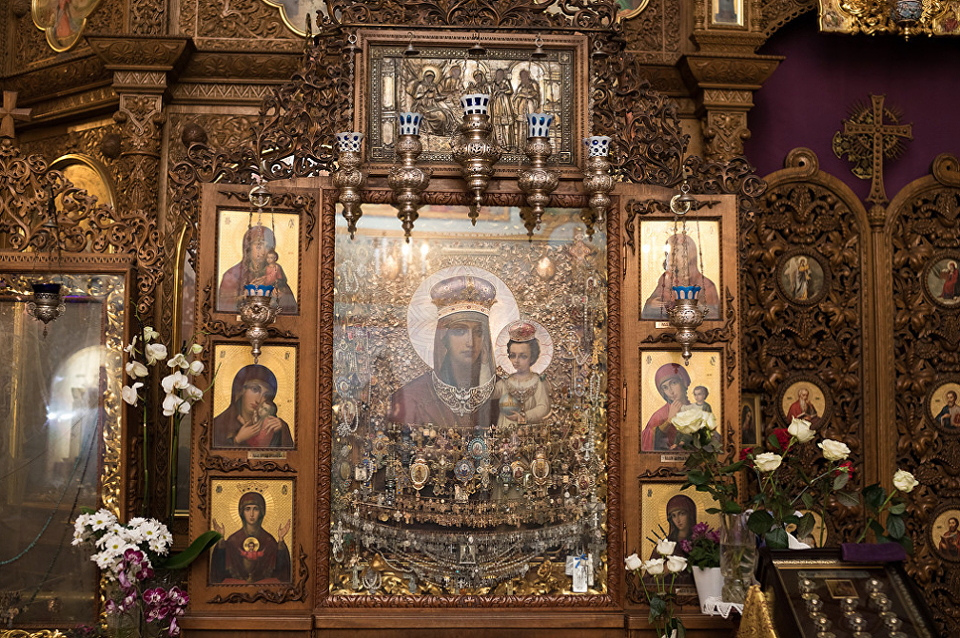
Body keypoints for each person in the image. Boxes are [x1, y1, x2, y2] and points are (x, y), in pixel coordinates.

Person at [388, 275, 500, 432]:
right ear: (444, 338)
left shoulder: (504, 392)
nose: (471, 342)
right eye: (459, 331)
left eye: (478, 332)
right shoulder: (411, 398)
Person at [211, 491, 291, 584]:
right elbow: (219, 573)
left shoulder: (269, 540)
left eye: (256, 509)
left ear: (261, 512)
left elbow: (281, 573)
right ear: (242, 512)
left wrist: (281, 540)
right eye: (247, 509)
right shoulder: (233, 540)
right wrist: (221, 538)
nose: (251, 514)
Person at [218, 224, 298, 314]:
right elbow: (224, 308)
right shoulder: (233, 275)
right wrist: (245, 296)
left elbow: (291, 310)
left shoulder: (275, 272)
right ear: (248, 247)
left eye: (267, 247)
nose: (263, 251)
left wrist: (279, 296)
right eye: (259, 245)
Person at [641, 233, 721, 320]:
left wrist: (697, 306)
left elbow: (713, 316)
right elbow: (650, 308)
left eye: (676, 252)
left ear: (689, 255)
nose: (672, 258)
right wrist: (652, 304)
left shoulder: (706, 285)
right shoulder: (667, 279)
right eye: (669, 254)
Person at [213, 364, 294, 448]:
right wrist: (237, 439)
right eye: (255, 389)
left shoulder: (273, 425)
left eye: (266, 395)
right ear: (241, 390)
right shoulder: (219, 424)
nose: (258, 400)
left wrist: (283, 429)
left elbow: (287, 452)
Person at [493, 321, 551, 429]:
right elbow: (489, 394)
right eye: (513, 355)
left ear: (532, 357)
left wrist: (523, 416)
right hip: (505, 428)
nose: (516, 361)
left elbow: (543, 407)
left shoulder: (538, 381)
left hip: (527, 430)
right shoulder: (506, 381)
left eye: (523, 356)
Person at [641, 363, 691, 451]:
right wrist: (669, 420)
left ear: (683, 382)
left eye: (674, 383)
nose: (671, 391)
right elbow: (648, 441)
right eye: (665, 387)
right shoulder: (658, 416)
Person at [408, 69, 456, 136]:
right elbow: (417, 97)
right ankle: (434, 131)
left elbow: (436, 97)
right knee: (439, 115)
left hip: (432, 106)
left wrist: (445, 97)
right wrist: (426, 92)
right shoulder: (421, 86)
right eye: (429, 77)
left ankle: (441, 131)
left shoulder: (433, 86)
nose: (430, 79)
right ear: (425, 77)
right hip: (422, 107)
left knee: (445, 114)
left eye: (431, 78)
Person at [512, 69, 541, 149]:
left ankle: (529, 146)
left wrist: (525, 94)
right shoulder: (520, 86)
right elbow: (516, 96)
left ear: (528, 76)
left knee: (529, 127)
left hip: (530, 109)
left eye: (524, 76)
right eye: (521, 76)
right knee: (520, 128)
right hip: (521, 111)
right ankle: (520, 146)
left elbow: (535, 95)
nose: (523, 78)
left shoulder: (533, 84)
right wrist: (521, 95)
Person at [490, 68, 515, 150]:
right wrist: (495, 93)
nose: (499, 75)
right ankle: (500, 144)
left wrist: (502, 91)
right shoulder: (493, 83)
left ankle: (507, 144)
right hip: (496, 104)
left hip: (504, 104)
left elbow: (511, 91)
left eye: (501, 74)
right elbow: (491, 94)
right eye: (498, 74)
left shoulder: (506, 82)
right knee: (497, 125)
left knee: (506, 124)